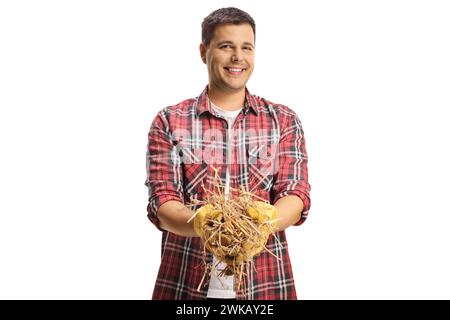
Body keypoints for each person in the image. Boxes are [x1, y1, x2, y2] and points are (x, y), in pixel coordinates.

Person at [145, 7, 311, 300]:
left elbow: (296, 194)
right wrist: (202, 221)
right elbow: (162, 202)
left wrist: (263, 220)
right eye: (226, 46)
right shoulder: (170, 121)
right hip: (186, 287)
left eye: (246, 47)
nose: (238, 57)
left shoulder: (283, 120)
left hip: (265, 290)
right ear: (203, 51)